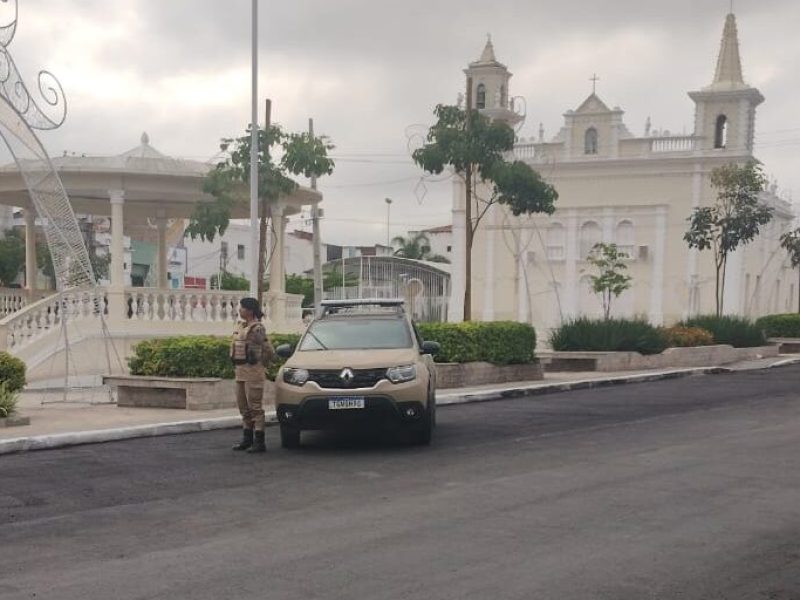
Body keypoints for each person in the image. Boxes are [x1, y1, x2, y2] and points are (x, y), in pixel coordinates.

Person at [230, 297, 274, 453]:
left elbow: (268, 350)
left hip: (253, 372)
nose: (239, 310)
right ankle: (247, 439)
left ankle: (259, 441)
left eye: (242, 308)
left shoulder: (257, 328)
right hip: (240, 372)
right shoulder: (241, 326)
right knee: (244, 408)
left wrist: (262, 366)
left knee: (255, 407)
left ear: (249, 310)